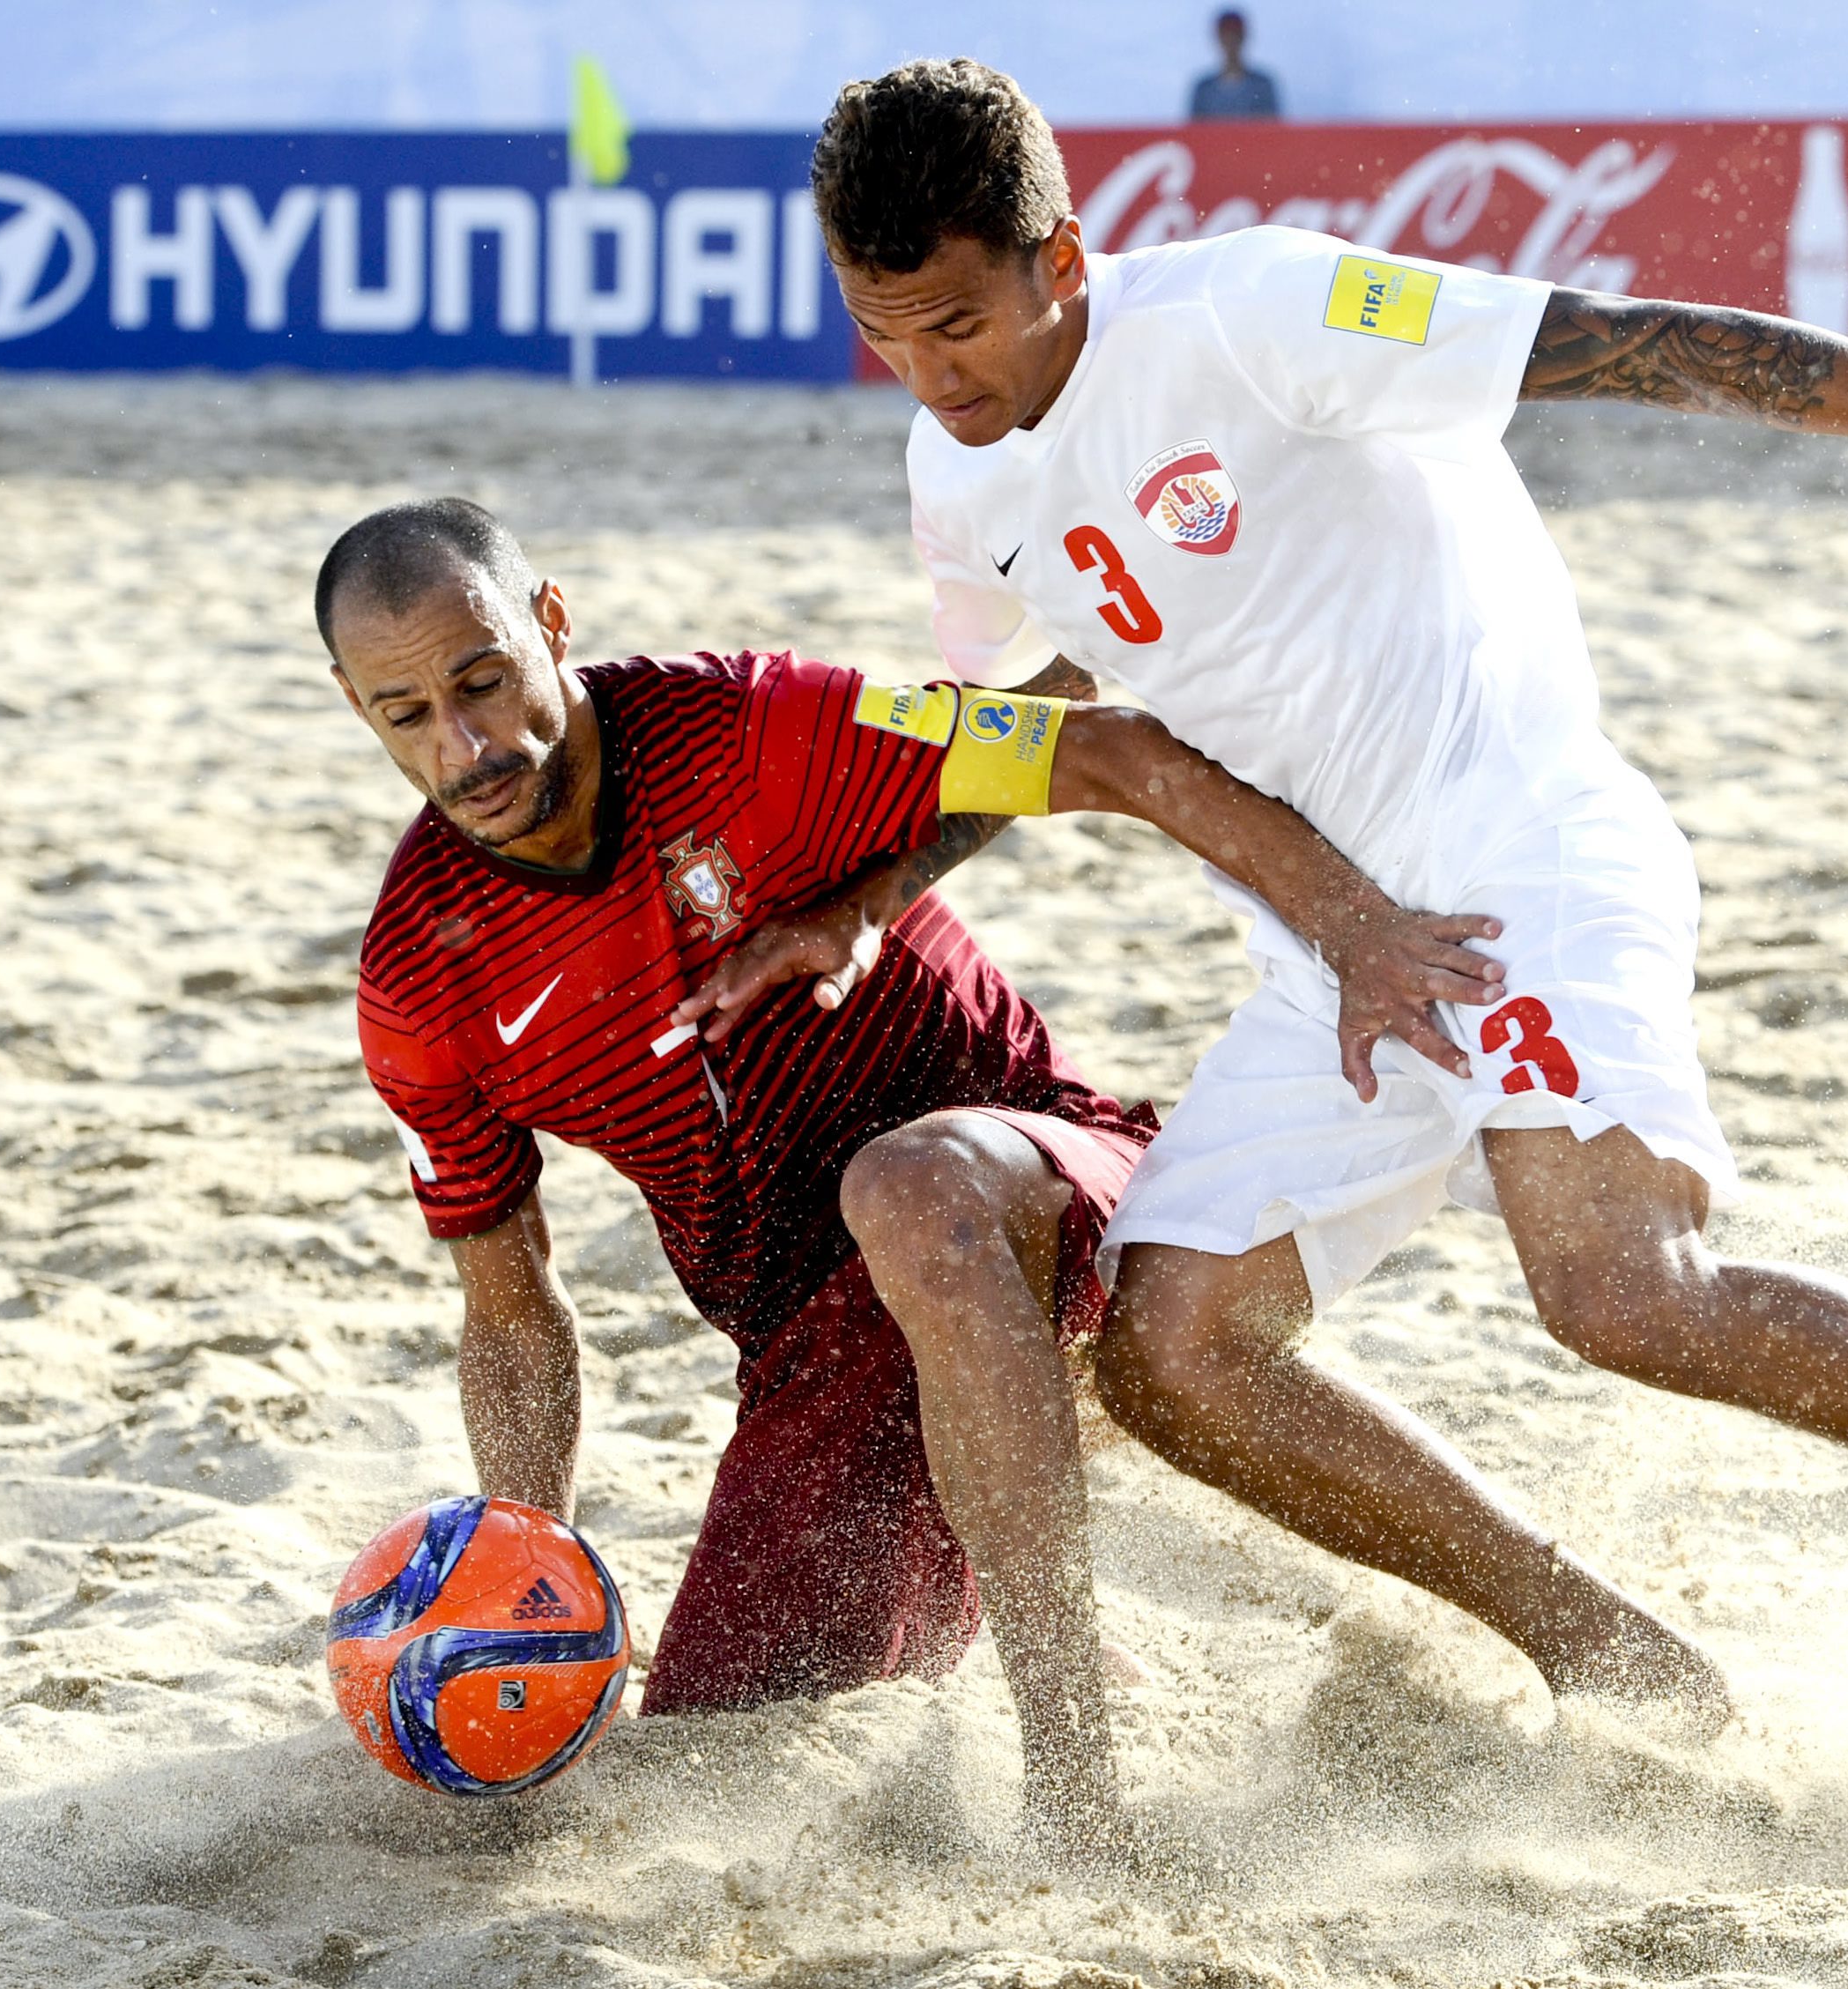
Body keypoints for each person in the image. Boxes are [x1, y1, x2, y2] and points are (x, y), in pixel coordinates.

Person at [709, 58, 1848, 1822]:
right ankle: (1606, 1656)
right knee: (1171, 1353)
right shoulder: (952, 471)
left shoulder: (1252, 306)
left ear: (1061, 256)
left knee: (1617, 1294)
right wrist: (868, 895)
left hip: (1528, 847)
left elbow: (1630, 337)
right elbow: (1057, 700)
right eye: (884, 330)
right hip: (1340, 948)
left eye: (958, 323)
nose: (930, 372)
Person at [320, 498, 1503, 1849]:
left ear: (550, 624)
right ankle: (975, 1574)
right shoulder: (419, 981)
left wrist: (1358, 930)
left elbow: (1090, 732)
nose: (464, 745)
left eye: (483, 683)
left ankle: (1076, 1781)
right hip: (823, 1365)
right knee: (713, 1761)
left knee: (914, 1189)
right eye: (405, 713)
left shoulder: (751, 729)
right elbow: (513, 1311)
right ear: (356, 707)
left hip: (1037, 1195)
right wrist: (517, 1557)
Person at [1187, 11, 1280, 122]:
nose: (1231, 41)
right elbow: (1194, 132)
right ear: (1219, 39)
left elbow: (1271, 130)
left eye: (1235, 36)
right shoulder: (1204, 89)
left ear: (1243, 38)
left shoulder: (1262, 85)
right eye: (1226, 36)